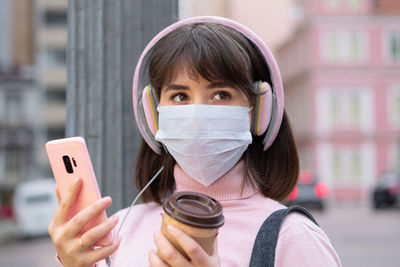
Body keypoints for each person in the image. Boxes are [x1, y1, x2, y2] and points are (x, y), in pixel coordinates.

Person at [48, 16, 342, 267]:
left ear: (258, 112)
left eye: (221, 95)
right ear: (154, 115)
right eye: (180, 96)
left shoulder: (292, 238)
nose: (196, 113)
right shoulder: (121, 228)